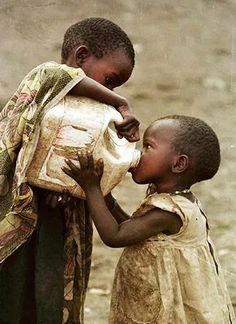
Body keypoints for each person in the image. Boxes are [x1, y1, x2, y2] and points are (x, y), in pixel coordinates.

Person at [0, 17, 140, 324]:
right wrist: (121, 103)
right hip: (16, 214)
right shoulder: (45, 81)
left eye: (115, 87)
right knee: (10, 292)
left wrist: (68, 188)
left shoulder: (88, 116)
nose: (110, 90)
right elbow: (60, 74)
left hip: (56, 222)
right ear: (81, 57)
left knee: (46, 300)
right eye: (111, 80)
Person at [63, 115, 235, 323]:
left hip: (167, 304)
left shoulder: (170, 212)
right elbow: (134, 229)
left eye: (148, 147)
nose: (138, 154)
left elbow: (115, 236)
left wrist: (92, 189)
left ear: (179, 164)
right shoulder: (171, 199)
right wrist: (104, 194)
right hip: (155, 294)